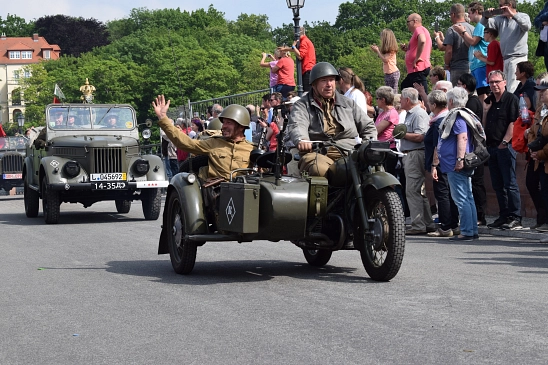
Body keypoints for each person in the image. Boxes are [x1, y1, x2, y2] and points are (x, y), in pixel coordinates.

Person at [287, 62, 377, 178]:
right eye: (324, 80)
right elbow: (297, 124)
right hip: (318, 151)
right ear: (314, 85)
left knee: (375, 167)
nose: (329, 84)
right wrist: (302, 139)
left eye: (332, 80)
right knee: (319, 169)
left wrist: (368, 144)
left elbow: (368, 125)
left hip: (349, 150)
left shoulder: (348, 103)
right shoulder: (302, 105)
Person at [153, 95, 254, 181]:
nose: (223, 126)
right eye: (224, 123)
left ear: (241, 126)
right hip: (216, 194)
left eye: (229, 123)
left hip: (244, 193)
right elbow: (185, 143)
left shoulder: (252, 149)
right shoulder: (214, 143)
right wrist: (163, 118)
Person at [437, 87, 479, 240]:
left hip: (457, 164)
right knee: (467, 197)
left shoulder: (458, 116)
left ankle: (468, 231)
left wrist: (459, 159)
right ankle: (472, 230)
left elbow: (462, 138)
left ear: (450, 101)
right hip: (458, 162)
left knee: (462, 199)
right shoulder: (464, 114)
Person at [483, 70, 522, 229]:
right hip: (491, 147)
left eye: (497, 82)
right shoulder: (490, 100)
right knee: (498, 185)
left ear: (504, 82)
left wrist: (505, 142)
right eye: (491, 83)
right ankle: (504, 215)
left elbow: (514, 122)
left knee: (510, 183)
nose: (494, 85)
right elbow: (484, 124)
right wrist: (486, 110)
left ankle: (515, 216)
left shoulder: (510, 99)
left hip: (505, 147)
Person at [399, 87, 436, 235]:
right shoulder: (412, 113)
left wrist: (403, 134)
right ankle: (427, 223)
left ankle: (418, 225)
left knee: (412, 190)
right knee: (419, 191)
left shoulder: (418, 114)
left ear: (407, 100)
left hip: (415, 154)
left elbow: (421, 136)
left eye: (401, 98)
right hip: (413, 154)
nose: (400, 101)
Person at [424, 90, 460, 237]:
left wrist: (434, 165)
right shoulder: (447, 117)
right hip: (450, 160)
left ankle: (445, 226)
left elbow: (437, 146)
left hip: (441, 162)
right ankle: (454, 224)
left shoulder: (439, 121)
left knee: (442, 193)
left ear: (433, 105)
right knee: (450, 193)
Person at [480, 0, 531, 93]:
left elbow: (527, 27)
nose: (499, 8)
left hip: (518, 57)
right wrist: (487, 15)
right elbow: (484, 24)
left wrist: (513, 15)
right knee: (505, 88)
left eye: (501, 5)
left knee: (513, 88)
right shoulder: (500, 19)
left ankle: (515, 107)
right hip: (506, 58)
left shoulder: (523, 16)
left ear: (509, 5)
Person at [457, 73, 486, 225]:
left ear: (465, 86)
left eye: (459, 83)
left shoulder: (472, 102)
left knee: (476, 182)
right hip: (472, 148)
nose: (457, 85)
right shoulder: (472, 101)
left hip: (474, 149)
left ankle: (480, 215)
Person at [453, 2, 490, 101]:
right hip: (475, 64)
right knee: (480, 92)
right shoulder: (478, 26)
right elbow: (470, 45)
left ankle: (484, 114)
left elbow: (473, 42)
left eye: (469, 13)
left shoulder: (481, 25)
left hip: (481, 64)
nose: (468, 15)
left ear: (476, 12)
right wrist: (462, 34)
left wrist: (464, 32)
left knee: (483, 93)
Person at [434, 4, 474, 86]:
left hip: (457, 68)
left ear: (453, 14)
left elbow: (449, 51)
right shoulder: (472, 28)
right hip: (472, 67)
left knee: (457, 94)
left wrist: (447, 64)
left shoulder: (452, 29)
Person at [527, 79, 548, 233]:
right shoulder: (541, 109)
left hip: (544, 156)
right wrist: (533, 149)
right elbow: (533, 131)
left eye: (543, 91)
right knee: (532, 184)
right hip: (537, 157)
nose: (540, 94)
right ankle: (542, 219)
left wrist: (540, 153)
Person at [400, 14, 433, 94]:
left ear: (415, 21)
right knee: (405, 86)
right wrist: (407, 50)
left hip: (418, 68)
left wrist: (417, 57)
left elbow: (422, 41)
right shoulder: (422, 30)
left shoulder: (419, 29)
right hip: (416, 69)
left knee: (420, 93)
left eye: (408, 22)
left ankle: (424, 105)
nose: (407, 24)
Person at [285, 26, 316, 93]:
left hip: (307, 70)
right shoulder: (306, 41)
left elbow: (300, 55)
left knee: (306, 93)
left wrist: (293, 46)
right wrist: (286, 49)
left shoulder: (304, 41)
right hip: (309, 69)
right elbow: (298, 50)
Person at [370, 28, 400, 92]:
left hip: (393, 73)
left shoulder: (391, 49)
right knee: (388, 92)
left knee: (393, 92)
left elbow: (385, 60)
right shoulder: (387, 50)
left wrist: (377, 51)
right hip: (388, 73)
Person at [534, 2, 548, 73]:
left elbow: (544, 16)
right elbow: (536, 20)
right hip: (545, 43)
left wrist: (541, 17)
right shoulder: (547, 4)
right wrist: (542, 23)